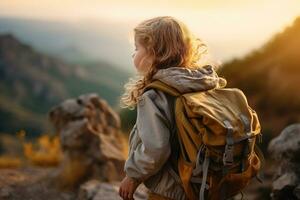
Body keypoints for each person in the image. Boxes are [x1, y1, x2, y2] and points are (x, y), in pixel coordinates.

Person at [118, 16, 226, 200]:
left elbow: (156, 149)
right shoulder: (200, 82)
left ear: (154, 53)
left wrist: (133, 176)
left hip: (171, 188)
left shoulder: (154, 96)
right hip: (202, 181)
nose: (133, 54)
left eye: (137, 49)